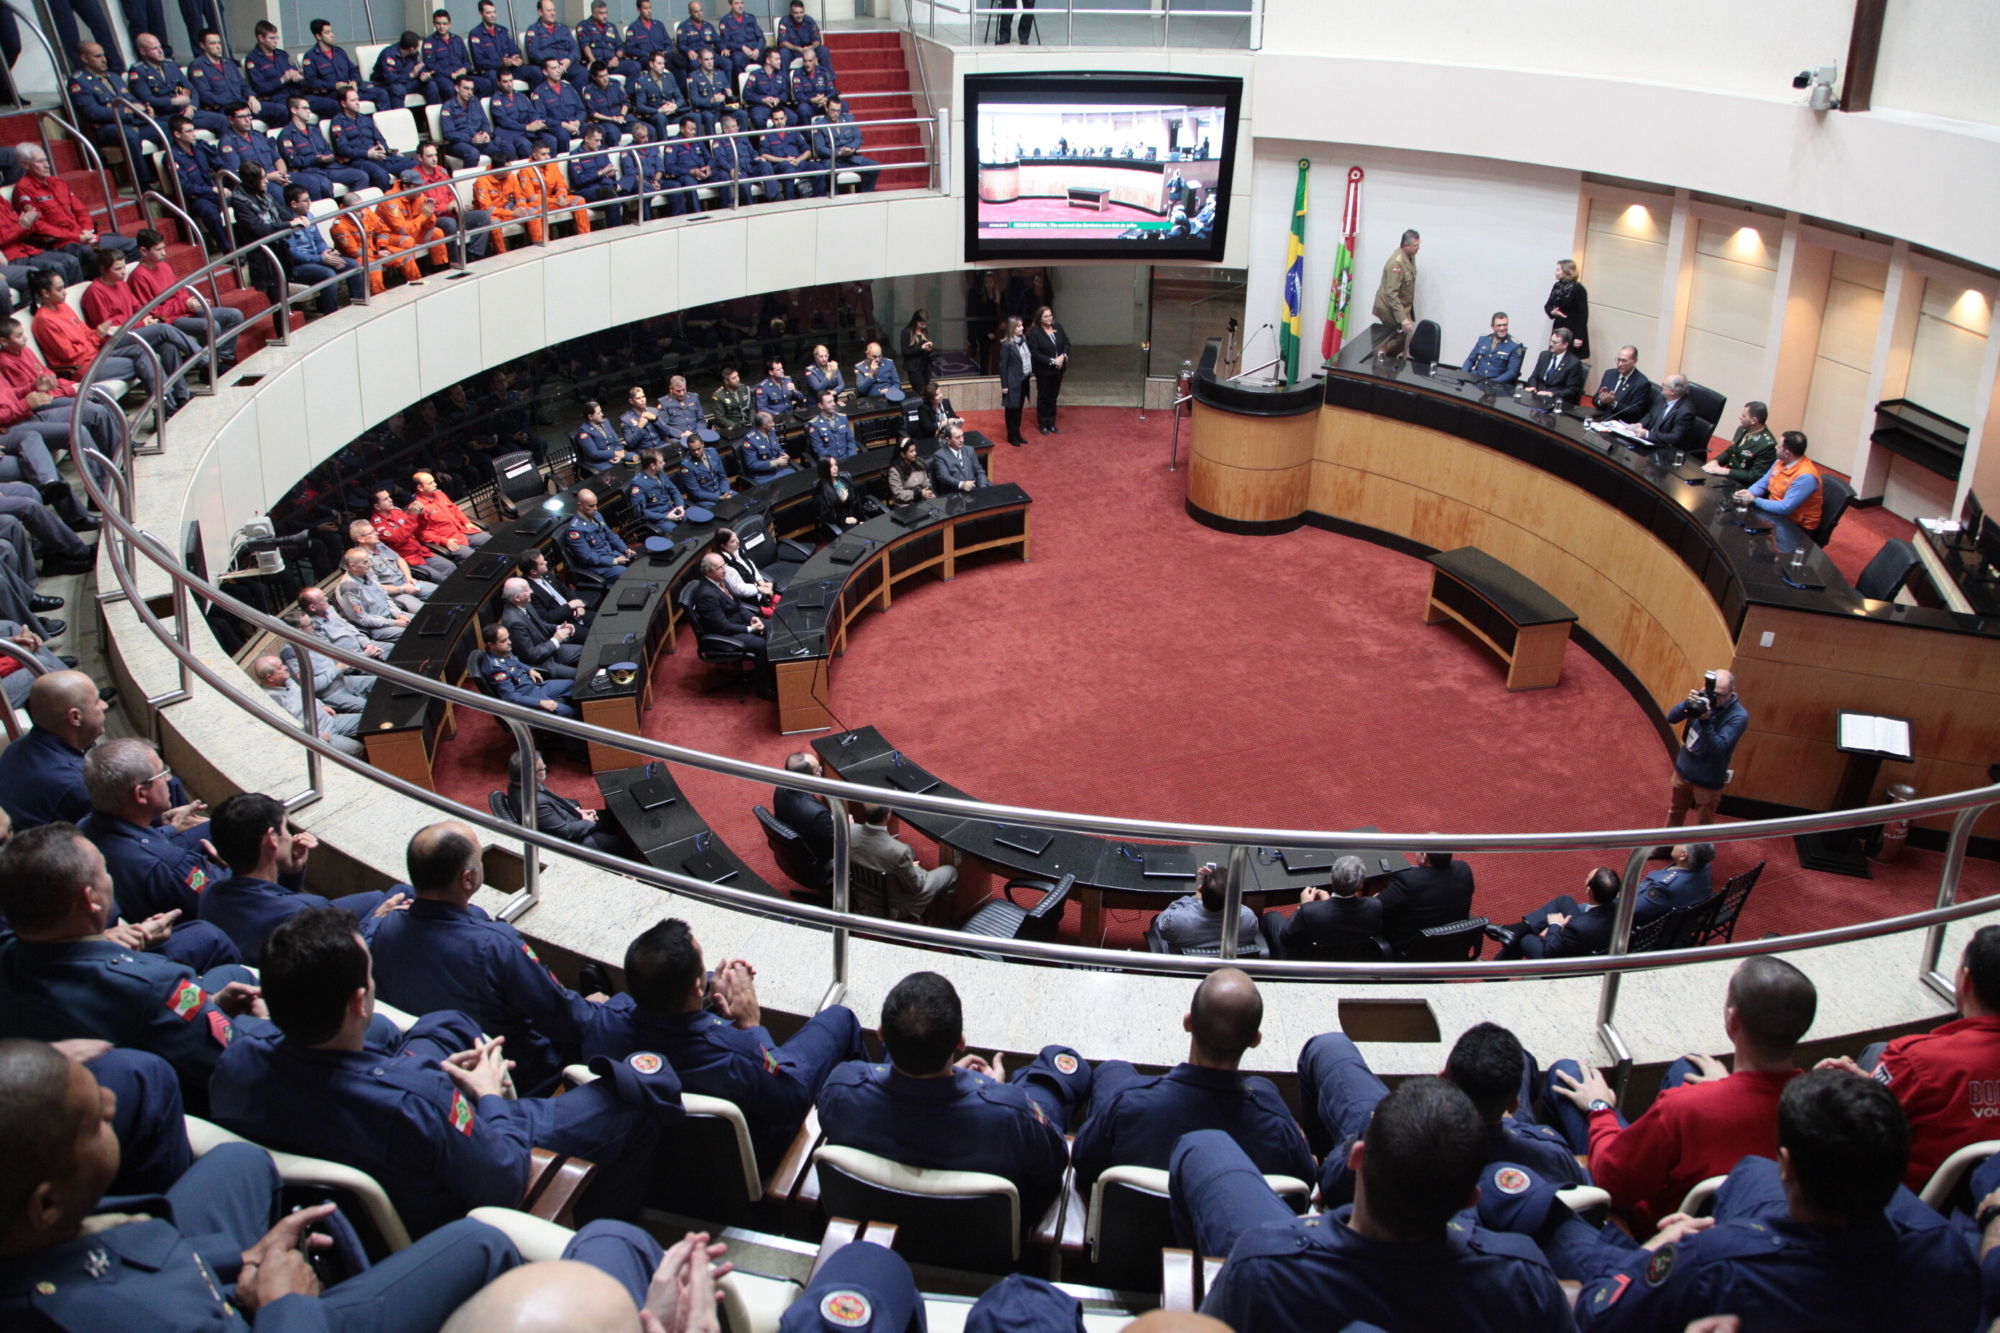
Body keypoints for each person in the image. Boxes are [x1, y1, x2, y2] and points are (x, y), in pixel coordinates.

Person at [0, 1038, 525, 1332]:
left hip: (151, 1266)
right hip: (273, 1320)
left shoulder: (32, 1230)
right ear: (47, 1204)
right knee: (482, 1241)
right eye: (95, 1121)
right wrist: (281, 1303)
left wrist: (240, 1259)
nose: (113, 1105)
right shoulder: (124, 1319)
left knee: (242, 1161)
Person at [216, 906, 683, 1234]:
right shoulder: (422, 1101)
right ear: (359, 1003)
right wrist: (489, 1094)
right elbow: (506, 1177)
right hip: (469, 1149)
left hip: (357, 1112)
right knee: (636, 1093)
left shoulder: (237, 1058)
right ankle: (602, 1235)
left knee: (446, 1023)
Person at [1573, 1071, 1979, 1332]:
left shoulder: (1710, 1261)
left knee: (1568, 1231)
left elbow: (1595, 1314)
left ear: (1788, 1165)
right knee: (1751, 1170)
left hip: (1705, 1262)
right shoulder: (1948, 1252)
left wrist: (1655, 1248)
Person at [1174, 1078, 1572, 1333]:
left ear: (1357, 1157)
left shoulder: (1262, 1266)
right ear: (1472, 1197)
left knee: (1204, 1144)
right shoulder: (1525, 1280)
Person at [0, 821, 265, 1108]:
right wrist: (263, 1023)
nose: (109, 877)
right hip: (174, 1102)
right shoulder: (157, 986)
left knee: (231, 974)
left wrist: (209, 1004)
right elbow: (239, 1064)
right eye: (104, 870)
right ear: (90, 898)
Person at [1546, 955, 1817, 1234]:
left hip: (1666, 1229)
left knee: (1566, 1072)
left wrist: (1600, 1108)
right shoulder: (1821, 1104)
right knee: (1687, 1067)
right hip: (1761, 1219)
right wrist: (1729, 1085)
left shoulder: (1683, 1108)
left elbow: (1613, 1182)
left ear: (1733, 1018)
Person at [582, 917, 867, 1169]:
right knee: (840, 1019)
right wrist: (752, 1025)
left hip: (654, 1162)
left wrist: (707, 994)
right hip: (747, 1161)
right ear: (695, 987)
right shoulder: (736, 1055)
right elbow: (792, 1097)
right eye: (702, 970)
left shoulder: (605, 1021)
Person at [818, 970, 1090, 1230]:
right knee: (1061, 1064)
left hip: (874, 1223)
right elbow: (1054, 1160)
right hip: (981, 1243)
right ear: (960, 1042)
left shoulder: (841, 1088)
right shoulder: (1010, 1113)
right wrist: (993, 1091)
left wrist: (963, 1082)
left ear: (881, 1034)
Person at [364, 821, 604, 1091]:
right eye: (479, 858)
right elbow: (563, 1018)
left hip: (430, 1058)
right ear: (467, 879)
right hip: (514, 1072)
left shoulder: (380, 927)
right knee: (599, 1023)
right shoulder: (496, 946)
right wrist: (599, 1007)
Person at [1302, 1020, 1586, 1212]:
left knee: (1328, 1046)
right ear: (1514, 1104)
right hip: (1510, 1140)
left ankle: (1319, 1153)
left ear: (1441, 1078)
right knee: (1520, 1058)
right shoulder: (1552, 1154)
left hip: (1400, 1131)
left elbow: (1333, 1183)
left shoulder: (1381, 1143)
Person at [1075, 968, 1313, 1190]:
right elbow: (1307, 1180)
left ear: (1188, 1022)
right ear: (1255, 1040)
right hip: (1227, 1224)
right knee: (1263, 1086)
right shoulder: (1279, 1128)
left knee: (1114, 1070)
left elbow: (1083, 1161)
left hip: (1132, 1222)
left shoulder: (1129, 1102)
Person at [1816, 924, 2000, 1192]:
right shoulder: (1917, 1061)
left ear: (1966, 980)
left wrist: (1842, 1089)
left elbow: (1863, 1131)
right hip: (1984, 1191)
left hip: (1916, 1199)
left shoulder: (1916, 1058)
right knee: (1878, 1051)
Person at [197, 791, 396, 965]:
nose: (291, 838)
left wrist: (291, 873)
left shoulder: (209, 893)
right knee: (397, 895)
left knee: (377, 897)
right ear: (271, 838)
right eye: (286, 829)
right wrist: (376, 922)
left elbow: (275, 906)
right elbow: (345, 956)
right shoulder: (306, 911)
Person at [76, 736, 220, 924]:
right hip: (191, 923)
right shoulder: (170, 866)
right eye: (162, 774)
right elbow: (218, 904)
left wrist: (171, 828)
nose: (168, 778)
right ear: (141, 793)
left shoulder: (83, 828)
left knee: (214, 826)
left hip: (136, 892)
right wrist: (231, 868)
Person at [29, 271, 180, 413]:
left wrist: (97, 334)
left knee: (142, 351)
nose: (65, 292)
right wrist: (96, 336)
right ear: (45, 293)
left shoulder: (63, 307)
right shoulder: (44, 321)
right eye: (59, 289)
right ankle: (166, 406)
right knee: (146, 363)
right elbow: (69, 354)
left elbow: (86, 332)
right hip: (82, 367)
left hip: (95, 355)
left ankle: (166, 405)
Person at [0, 669, 108, 828]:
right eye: (97, 701)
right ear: (75, 717)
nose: (104, 705)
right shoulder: (78, 784)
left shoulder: (15, 747)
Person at [128, 229, 244, 366]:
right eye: (158, 250)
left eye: (163, 248)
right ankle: (209, 366)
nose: (164, 253)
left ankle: (221, 359)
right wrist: (185, 306)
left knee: (234, 315)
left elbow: (180, 290)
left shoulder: (164, 266)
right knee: (211, 325)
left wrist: (193, 302)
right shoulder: (138, 277)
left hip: (185, 311)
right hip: (169, 319)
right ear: (143, 251)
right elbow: (153, 313)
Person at [507, 751, 636, 856]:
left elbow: (555, 800)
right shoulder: (535, 804)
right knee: (628, 845)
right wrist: (587, 822)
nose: (546, 769)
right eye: (542, 768)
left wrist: (577, 810)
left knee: (613, 816)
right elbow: (566, 832)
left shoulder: (519, 784)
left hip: (571, 817)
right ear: (529, 775)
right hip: (576, 838)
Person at [1664, 668, 1746, 828]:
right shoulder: (1703, 699)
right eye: (1712, 692)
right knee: (1675, 812)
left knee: (1703, 825)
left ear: (1731, 692)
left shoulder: (1738, 716)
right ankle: (1666, 842)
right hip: (1683, 772)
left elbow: (1719, 748)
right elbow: (1672, 718)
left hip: (1707, 781)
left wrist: (1705, 720)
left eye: (1720, 694)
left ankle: (1698, 846)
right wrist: (1688, 703)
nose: (1714, 698)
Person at [847, 802, 956, 922]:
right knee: (951, 872)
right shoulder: (898, 852)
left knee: (909, 849)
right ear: (888, 816)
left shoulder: (848, 830)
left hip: (862, 897)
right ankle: (939, 928)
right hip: (894, 908)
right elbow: (915, 887)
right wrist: (915, 868)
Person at [1489, 866, 1621, 959]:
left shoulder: (1578, 927)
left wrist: (1555, 926)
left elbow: (1551, 952)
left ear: (1589, 890)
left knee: (1524, 937)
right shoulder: (1624, 906)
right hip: (1595, 936)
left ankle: (1493, 974)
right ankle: (1515, 929)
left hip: (1566, 962)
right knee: (1565, 901)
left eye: (1587, 877)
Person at [279, 182, 367, 317]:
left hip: (317, 258)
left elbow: (318, 240)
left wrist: (326, 252)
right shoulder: (286, 223)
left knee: (353, 265)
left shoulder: (309, 215)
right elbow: (293, 254)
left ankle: (358, 305)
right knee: (328, 274)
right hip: (297, 266)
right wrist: (321, 258)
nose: (310, 203)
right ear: (294, 204)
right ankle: (331, 314)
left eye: (309, 199)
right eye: (305, 200)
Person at [688, 552, 773, 693]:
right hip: (726, 635)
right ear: (709, 572)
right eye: (719, 568)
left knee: (774, 628)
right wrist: (750, 629)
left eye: (724, 565)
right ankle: (764, 688)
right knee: (763, 645)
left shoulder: (722, 581)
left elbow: (738, 606)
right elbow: (722, 627)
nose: (724, 570)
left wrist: (751, 618)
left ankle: (775, 674)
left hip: (738, 623)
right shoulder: (707, 595)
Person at [253, 653, 366, 757]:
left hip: (330, 719)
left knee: (368, 722)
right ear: (270, 677)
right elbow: (290, 729)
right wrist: (319, 736)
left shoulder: (286, 680)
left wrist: (321, 705)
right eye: (280, 668)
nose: (285, 667)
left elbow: (305, 694)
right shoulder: (273, 701)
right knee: (357, 748)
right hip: (321, 733)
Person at [1275, 854, 1384, 960]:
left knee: (1273, 917)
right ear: (1360, 887)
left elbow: (1286, 938)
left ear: (1331, 877)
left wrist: (1303, 906)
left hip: (1310, 962)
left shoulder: (1309, 911)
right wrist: (1327, 903)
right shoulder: (1374, 906)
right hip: (1352, 959)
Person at [1376, 848, 1475, 955]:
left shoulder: (1409, 881)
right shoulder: (1463, 869)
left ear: (1424, 857)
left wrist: (1375, 899)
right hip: (1452, 944)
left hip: (1411, 949)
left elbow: (1377, 907)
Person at [478, 622, 581, 718]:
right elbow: (510, 697)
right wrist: (540, 703)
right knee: (569, 712)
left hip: (534, 686)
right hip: (528, 698)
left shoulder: (501, 650)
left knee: (575, 685)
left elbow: (514, 662)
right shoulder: (496, 669)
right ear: (491, 645)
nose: (509, 642)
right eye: (503, 640)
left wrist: (529, 669)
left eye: (508, 638)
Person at [1152, 861, 1259, 952]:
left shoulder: (1177, 920)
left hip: (1186, 967)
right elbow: (1235, 904)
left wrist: (1195, 898)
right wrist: (1218, 884)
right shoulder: (1249, 918)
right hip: (1228, 966)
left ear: (1201, 890)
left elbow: (1162, 921)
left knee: (1155, 919)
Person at [1736, 430, 1823, 529]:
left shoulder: (1806, 477)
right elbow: (1763, 483)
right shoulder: (1780, 461)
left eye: (1779, 446)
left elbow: (1785, 508)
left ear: (1787, 453)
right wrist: (1747, 494)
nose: (1775, 447)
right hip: (1774, 512)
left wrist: (1754, 500)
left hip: (1796, 525)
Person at [247, 21, 331, 120]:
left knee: (331, 105)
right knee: (288, 111)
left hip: (296, 95)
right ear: (261, 38)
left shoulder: (282, 55)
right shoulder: (253, 59)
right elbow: (259, 88)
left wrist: (298, 78)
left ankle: (316, 128)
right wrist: (282, 80)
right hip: (275, 99)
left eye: (277, 38)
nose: (276, 41)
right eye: (272, 38)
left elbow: (298, 78)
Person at [500, 576, 581, 676]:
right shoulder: (514, 622)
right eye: (527, 590)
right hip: (541, 662)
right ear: (517, 597)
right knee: (580, 675)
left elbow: (540, 624)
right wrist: (556, 640)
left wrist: (559, 628)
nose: (531, 591)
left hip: (549, 649)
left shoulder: (525, 603)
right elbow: (532, 655)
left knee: (587, 652)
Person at [302, 19, 390, 109]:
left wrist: (354, 81)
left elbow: (353, 70)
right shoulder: (310, 56)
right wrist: (335, 85)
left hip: (350, 89)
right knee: (344, 101)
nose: (332, 35)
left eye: (331, 31)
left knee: (381, 93)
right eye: (327, 32)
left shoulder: (339, 52)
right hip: (333, 93)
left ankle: (381, 118)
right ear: (318, 36)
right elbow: (311, 82)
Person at [335, 548, 412, 642]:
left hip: (391, 617)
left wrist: (398, 614)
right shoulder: (349, 588)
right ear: (353, 566)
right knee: (412, 633)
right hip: (376, 628)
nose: (370, 564)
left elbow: (385, 597)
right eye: (365, 562)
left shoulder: (366, 574)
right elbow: (363, 619)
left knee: (421, 620)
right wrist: (393, 623)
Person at [774, 751, 834, 868]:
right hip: (819, 856)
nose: (821, 770)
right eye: (818, 769)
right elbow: (836, 838)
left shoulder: (780, 787)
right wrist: (847, 826)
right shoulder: (817, 813)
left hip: (797, 836)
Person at [411, 469, 489, 558]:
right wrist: (443, 541)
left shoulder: (440, 494)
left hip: (462, 531)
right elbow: (421, 534)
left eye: (434, 481)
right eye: (430, 483)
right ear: (420, 488)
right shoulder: (417, 507)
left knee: (493, 541)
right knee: (476, 558)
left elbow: (455, 509)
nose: (435, 484)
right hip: (450, 540)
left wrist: (466, 522)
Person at [561, 486, 633, 581]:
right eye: (591, 506)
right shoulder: (575, 530)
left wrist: (625, 549)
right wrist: (614, 561)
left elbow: (610, 535)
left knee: (637, 563)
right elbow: (588, 557)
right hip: (597, 567)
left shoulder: (597, 515)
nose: (595, 508)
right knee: (629, 575)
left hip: (610, 554)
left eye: (595, 505)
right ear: (580, 505)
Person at [1633, 843, 1714, 925]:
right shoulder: (1704, 865)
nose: (1675, 844)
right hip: (1688, 918)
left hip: (1656, 926)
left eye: (1680, 844)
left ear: (1683, 856)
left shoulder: (1663, 887)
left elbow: (1635, 910)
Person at [1370, 228, 1420, 360]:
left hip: (1399, 305)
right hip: (1388, 306)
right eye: (1415, 246)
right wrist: (1403, 318)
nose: (1418, 248)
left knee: (1404, 337)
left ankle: (1383, 359)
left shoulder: (1410, 257)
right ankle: (1376, 359)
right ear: (1406, 246)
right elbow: (1391, 293)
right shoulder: (1396, 264)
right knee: (1402, 337)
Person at [1706, 400, 1780, 486]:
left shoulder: (1767, 445)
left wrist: (1727, 471)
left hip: (1743, 486)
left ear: (1753, 420)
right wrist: (1716, 461)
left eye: (1744, 416)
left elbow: (1755, 475)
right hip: (1727, 479)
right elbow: (1731, 451)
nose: (1740, 417)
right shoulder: (1741, 429)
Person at [1026, 305, 1069, 434]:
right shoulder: (1035, 333)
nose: (1049, 318)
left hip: (1058, 370)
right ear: (1039, 318)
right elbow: (1035, 353)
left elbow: (1066, 343)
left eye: (1050, 315)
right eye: (1046, 316)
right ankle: (1043, 424)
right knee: (1043, 398)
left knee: (1053, 397)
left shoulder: (1058, 327)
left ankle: (1051, 423)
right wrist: (1052, 361)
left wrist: (1063, 356)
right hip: (1044, 371)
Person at [1630, 373, 1701, 452]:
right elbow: (1651, 415)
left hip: (1667, 449)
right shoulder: (1663, 398)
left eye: (1664, 385)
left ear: (1672, 391)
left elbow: (1675, 437)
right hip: (1650, 442)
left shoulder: (1686, 412)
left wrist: (1647, 434)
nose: (1661, 386)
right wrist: (1639, 425)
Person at [470, 0, 529, 91]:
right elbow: (479, 62)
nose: (492, 15)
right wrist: (501, 63)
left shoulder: (503, 31)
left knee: (534, 71)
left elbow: (514, 50)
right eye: (488, 13)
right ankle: (499, 100)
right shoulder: (476, 34)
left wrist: (515, 57)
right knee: (493, 76)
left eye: (494, 12)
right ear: (481, 14)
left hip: (509, 69)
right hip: (492, 71)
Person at [1460, 311, 1524, 392]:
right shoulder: (1484, 339)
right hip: (1477, 380)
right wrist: (1462, 375)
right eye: (1499, 325)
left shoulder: (1514, 345)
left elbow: (1512, 372)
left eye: (1505, 325)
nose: (1502, 328)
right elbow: (1470, 359)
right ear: (1492, 326)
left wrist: (1491, 383)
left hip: (1496, 385)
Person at [1524, 327, 1585, 407]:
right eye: (1551, 340)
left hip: (1556, 402)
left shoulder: (1573, 363)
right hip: (1537, 397)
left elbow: (1571, 390)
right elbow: (1534, 376)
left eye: (1555, 342)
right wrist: (1533, 386)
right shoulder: (1544, 355)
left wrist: (1552, 394)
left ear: (1565, 345)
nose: (1551, 344)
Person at [1589, 345, 1651, 423]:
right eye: (1618, 360)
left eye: (1624, 361)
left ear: (1635, 361)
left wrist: (1613, 404)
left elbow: (1635, 411)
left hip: (1620, 422)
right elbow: (1595, 398)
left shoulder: (1642, 383)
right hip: (1600, 418)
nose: (1620, 364)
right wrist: (1601, 401)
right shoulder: (1609, 374)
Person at [1544, 258, 1590, 359]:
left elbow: (1583, 315)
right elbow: (1548, 305)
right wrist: (1552, 312)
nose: (1555, 272)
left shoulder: (1578, 289)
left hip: (1572, 329)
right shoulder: (1557, 286)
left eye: (1558, 270)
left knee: (1568, 359)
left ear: (1566, 271)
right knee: (1554, 355)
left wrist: (1579, 337)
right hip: (1558, 327)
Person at [998, 314, 1031, 445]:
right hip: (1012, 383)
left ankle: (1017, 433)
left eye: (1022, 325)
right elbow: (1003, 367)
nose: (1022, 328)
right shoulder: (1007, 345)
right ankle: (1011, 435)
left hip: (1023, 381)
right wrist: (1005, 386)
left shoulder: (1024, 340)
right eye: (1018, 326)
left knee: (1019, 410)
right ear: (1012, 328)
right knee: (1011, 410)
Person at [813, 455, 865, 538]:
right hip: (837, 524)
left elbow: (856, 501)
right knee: (858, 534)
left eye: (835, 464)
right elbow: (825, 514)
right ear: (824, 469)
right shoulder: (820, 489)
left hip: (854, 518)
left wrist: (860, 520)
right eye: (830, 466)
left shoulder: (845, 480)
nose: (835, 468)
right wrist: (844, 519)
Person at [777, 0, 834, 75]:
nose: (799, 15)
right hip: (793, 51)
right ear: (791, 12)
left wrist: (811, 47)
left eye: (801, 12)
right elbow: (782, 42)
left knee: (824, 50)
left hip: (809, 50)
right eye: (796, 13)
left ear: (804, 11)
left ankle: (829, 79)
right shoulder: (784, 21)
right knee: (783, 52)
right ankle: (783, 80)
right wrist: (798, 49)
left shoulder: (810, 21)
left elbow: (817, 40)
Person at [929, 423, 987, 493]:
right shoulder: (939, 455)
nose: (961, 440)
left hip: (974, 490)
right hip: (954, 493)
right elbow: (944, 477)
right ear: (948, 440)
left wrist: (982, 489)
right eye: (957, 438)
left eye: (962, 436)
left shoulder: (969, 450)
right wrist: (961, 484)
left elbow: (979, 472)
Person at [806, 389, 857, 460]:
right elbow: (819, 449)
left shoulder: (842, 418)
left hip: (847, 458)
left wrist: (852, 458)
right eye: (829, 402)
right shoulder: (815, 424)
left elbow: (850, 441)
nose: (833, 404)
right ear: (820, 405)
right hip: (830, 462)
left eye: (833, 401)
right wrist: (832, 462)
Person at [886, 437, 933, 505]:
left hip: (923, 500)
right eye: (911, 451)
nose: (915, 453)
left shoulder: (919, 464)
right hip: (906, 505)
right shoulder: (895, 470)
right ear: (903, 454)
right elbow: (898, 493)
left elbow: (926, 481)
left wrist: (929, 492)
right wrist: (919, 494)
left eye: (915, 450)